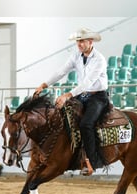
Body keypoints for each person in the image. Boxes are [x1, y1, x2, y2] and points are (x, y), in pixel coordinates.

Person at [35, 27, 109, 176]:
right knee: (61, 117)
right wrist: (44, 84)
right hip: (82, 96)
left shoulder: (99, 59)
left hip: (98, 97)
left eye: (81, 41)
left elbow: (88, 82)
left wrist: (67, 95)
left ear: (90, 41)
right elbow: (61, 71)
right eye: (77, 42)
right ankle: (67, 156)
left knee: (86, 124)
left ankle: (92, 161)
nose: (79, 44)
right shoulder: (76, 55)